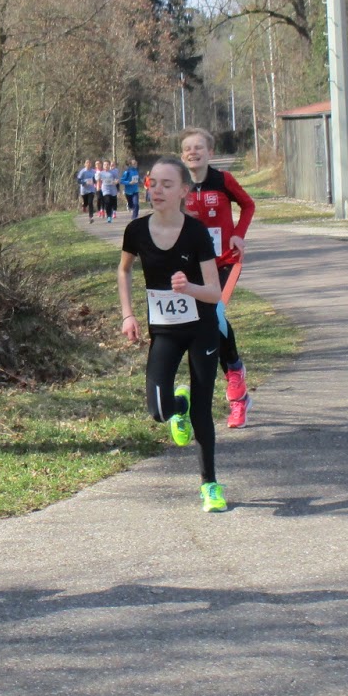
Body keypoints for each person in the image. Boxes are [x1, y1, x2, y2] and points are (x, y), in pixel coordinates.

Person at [118, 156, 228, 512]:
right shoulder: (136, 231)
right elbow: (124, 271)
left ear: (183, 191)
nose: (158, 190)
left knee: (202, 411)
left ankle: (210, 485)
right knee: (158, 411)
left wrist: (189, 288)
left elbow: (215, 292)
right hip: (164, 331)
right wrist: (128, 314)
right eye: (153, 183)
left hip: (201, 329)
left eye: (168, 184)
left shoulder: (195, 232)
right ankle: (178, 404)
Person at [179, 128, 256, 429]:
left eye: (199, 147)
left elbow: (248, 205)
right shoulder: (179, 185)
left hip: (224, 261)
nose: (193, 152)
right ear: (182, 155)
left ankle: (234, 372)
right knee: (206, 322)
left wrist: (238, 234)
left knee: (215, 311)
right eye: (188, 148)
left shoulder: (223, 180)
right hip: (194, 266)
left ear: (210, 153)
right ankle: (240, 396)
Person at [97, 158, 120, 223]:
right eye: (104, 165)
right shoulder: (101, 173)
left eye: (107, 164)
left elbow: (117, 180)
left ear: (109, 165)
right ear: (103, 166)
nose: (106, 166)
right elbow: (98, 180)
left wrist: (115, 182)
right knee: (107, 202)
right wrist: (98, 187)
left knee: (112, 203)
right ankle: (109, 216)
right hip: (105, 189)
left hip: (113, 189)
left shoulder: (113, 172)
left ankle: (111, 212)